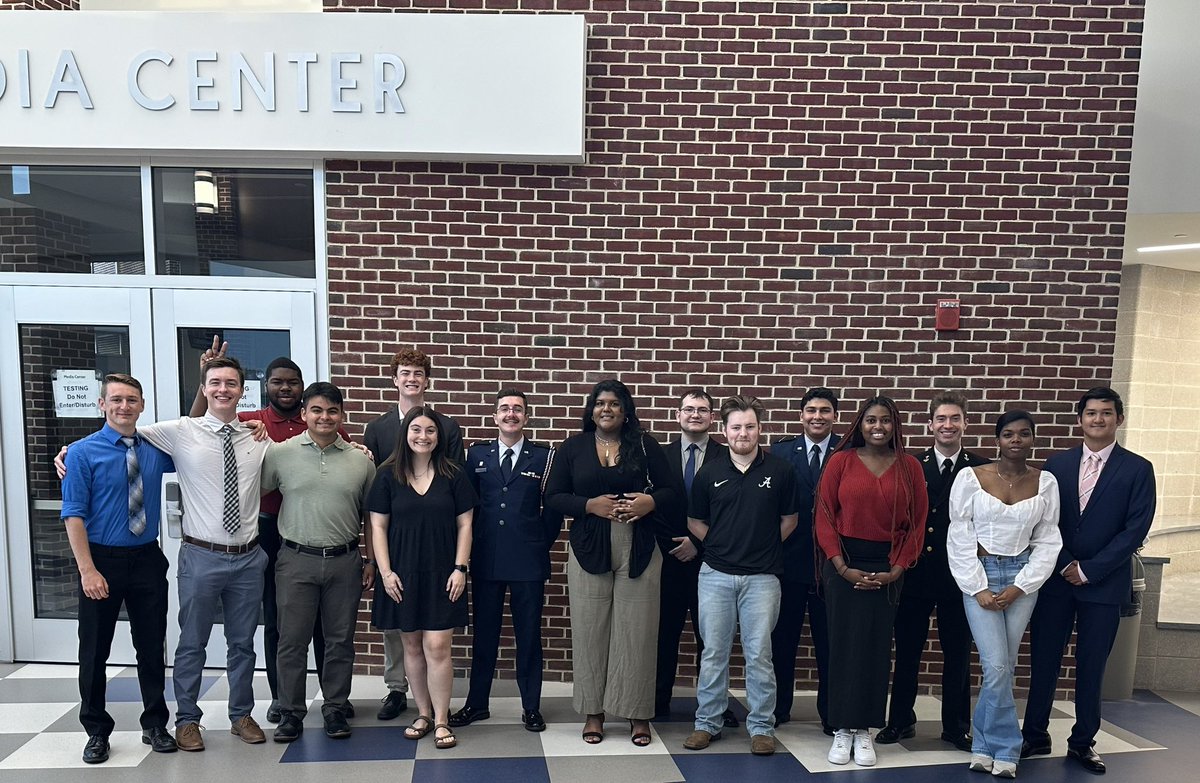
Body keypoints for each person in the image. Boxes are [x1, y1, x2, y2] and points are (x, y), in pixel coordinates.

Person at [190, 337, 351, 723]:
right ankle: (282, 698)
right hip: (268, 531)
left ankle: (334, 700)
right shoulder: (251, 423)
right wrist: (203, 381)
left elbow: (343, 459)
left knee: (323, 625)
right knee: (280, 620)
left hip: (314, 528)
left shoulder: (318, 421)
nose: (285, 388)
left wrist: (359, 449)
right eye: (278, 382)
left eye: (292, 382)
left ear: (301, 388)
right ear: (267, 386)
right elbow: (198, 427)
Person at [136, 356, 273, 751]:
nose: (223, 390)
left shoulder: (257, 438)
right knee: (192, 642)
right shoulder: (181, 431)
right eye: (215, 383)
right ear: (204, 387)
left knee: (243, 643)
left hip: (248, 557)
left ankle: (241, 715)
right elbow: (122, 431)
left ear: (242, 390)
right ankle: (187, 719)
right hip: (201, 556)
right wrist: (70, 451)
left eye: (231, 383)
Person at [1021, 387, 1156, 775]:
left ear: (1119, 419)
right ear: (1079, 419)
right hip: (1056, 582)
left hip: (1104, 584)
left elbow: (1135, 529)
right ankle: (1034, 734)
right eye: (1091, 413)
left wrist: (1090, 569)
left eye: (1106, 413)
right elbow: (1043, 522)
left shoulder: (1137, 468)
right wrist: (1065, 564)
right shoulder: (1056, 466)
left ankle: (1083, 742)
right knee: (1044, 661)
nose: (1098, 419)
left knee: (1091, 665)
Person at [545, 379, 677, 746]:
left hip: (639, 546)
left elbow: (670, 491)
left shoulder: (645, 445)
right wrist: (589, 505)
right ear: (591, 409)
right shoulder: (572, 448)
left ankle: (637, 713)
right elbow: (554, 496)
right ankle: (594, 713)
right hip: (589, 547)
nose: (607, 409)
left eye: (615, 404)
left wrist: (649, 503)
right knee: (590, 632)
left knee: (638, 632)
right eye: (600, 403)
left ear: (625, 410)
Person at [61, 373, 178, 764]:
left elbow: (195, 434)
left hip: (146, 557)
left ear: (142, 405)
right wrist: (87, 571)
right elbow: (73, 515)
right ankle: (96, 730)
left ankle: (155, 723)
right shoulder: (81, 453)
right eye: (116, 400)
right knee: (94, 651)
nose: (123, 406)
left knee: (151, 645)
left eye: (131, 400)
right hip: (101, 560)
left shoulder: (155, 448)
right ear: (102, 405)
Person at [947, 410, 1062, 778]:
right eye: (1008, 434)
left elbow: (1047, 540)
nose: (1016, 440)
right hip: (979, 575)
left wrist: (1019, 587)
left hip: (1022, 577)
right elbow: (959, 533)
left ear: (1032, 439)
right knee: (996, 665)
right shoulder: (971, 478)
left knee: (1003, 668)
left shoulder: (1045, 483)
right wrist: (977, 585)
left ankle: (983, 746)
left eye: (1024, 434)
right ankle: (1007, 749)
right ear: (997, 440)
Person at [260, 382, 377, 743]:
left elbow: (372, 517)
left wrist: (370, 560)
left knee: (340, 639)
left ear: (341, 415)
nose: (324, 417)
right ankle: (291, 711)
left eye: (331, 411)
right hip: (295, 559)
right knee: (291, 640)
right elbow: (256, 495)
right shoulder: (280, 454)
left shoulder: (361, 461)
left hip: (344, 560)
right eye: (316, 410)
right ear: (304, 414)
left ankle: (335, 707)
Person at [814, 395, 928, 767]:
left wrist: (897, 568)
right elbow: (825, 516)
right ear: (859, 425)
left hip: (888, 567)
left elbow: (917, 523)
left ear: (896, 425)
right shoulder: (840, 462)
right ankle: (842, 727)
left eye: (885, 421)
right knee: (843, 646)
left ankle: (864, 730)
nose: (877, 427)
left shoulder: (910, 467)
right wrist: (842, 567)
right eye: (870, 420)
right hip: (843, 564)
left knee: (877, 648)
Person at [682, 396, 798, 757]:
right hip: (715, 574)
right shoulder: (710, 472)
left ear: (759, 428)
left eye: (750, 426)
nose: (743, 433)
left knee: (759, 653)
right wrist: (721, 546)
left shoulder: (780, 471)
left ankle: (762, 728)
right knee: (714, 652)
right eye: (736, 427)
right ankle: (707, 724)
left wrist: (759, 547)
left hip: (763, 579)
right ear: (724, 429)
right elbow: (695, 521)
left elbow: (790, 520)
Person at [878, 393, 989, 751]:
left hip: (961, 575)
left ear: (965, 424)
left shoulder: (980, 468)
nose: (948, 425)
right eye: (941, 419)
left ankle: (956, 727)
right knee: (907, 650)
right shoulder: (911, 464)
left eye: (955, 418)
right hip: (917, 571)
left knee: (958, 653)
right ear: (930, 425)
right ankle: (900, 721)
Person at [448, 389, 562, 732]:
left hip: (528, 559)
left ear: (526, 417)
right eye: (504, 409)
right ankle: (477, 704)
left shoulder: (544, 457)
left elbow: (552, 510)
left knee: (529, 636)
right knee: (484, 634)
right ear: (495, 417)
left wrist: (539, 542)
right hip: (486, 558)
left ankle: (531, 707)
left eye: (517, 410)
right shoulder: (477, 454)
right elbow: (468, 506)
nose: (511, 414)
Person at [364, 347, 465, 720]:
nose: (411, 379)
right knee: (402, 633)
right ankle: (397, 689)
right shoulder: (377, 430)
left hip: (437, 548)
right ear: (395, 379)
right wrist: (376, 562)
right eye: (404, 373)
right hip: (396, 548)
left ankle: (436, 713)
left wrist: (459, 563)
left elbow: (457, 496)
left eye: (418, 374)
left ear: (426, 381)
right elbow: (374, 506)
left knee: (434, 641)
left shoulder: (448, 427)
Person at [370, 406, 476, 750]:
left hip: (444, 574)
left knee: (437, 645)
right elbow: (377, 526)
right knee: (411, 645)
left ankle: (443, 719)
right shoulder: (387, 475)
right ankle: (424, 713)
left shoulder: (454, 474)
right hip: (400, 574)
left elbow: (465, 524)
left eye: (430, 431)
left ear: (438, 437)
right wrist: (385, 573)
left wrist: (461, 568)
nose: (423, 436)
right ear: (405, 434)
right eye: (416, 429)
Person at [655, 388, 737, 728]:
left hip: (713, 561)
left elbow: (734, 511)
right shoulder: (660, 456)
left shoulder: (728, 455)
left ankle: (715, 705)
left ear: (712, 418)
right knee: (664, 634)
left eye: (702, 410)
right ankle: (656, 700)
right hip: (667, 560)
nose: (695, 415)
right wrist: (675, 544)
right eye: (688, 409)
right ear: (678, 416)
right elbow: (653, 507)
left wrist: (698, 544)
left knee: (713, 640)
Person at [770, 386, 840, 734]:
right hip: (789, 564)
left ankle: (830, 714)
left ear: (835, 416)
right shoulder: (781, 452)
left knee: (829, 644)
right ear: (801, 415)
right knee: (782, 640)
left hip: (833, 565)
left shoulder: (848, 451)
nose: (817, 416)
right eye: (811, 410)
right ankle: (779, 708)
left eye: (825, 410)